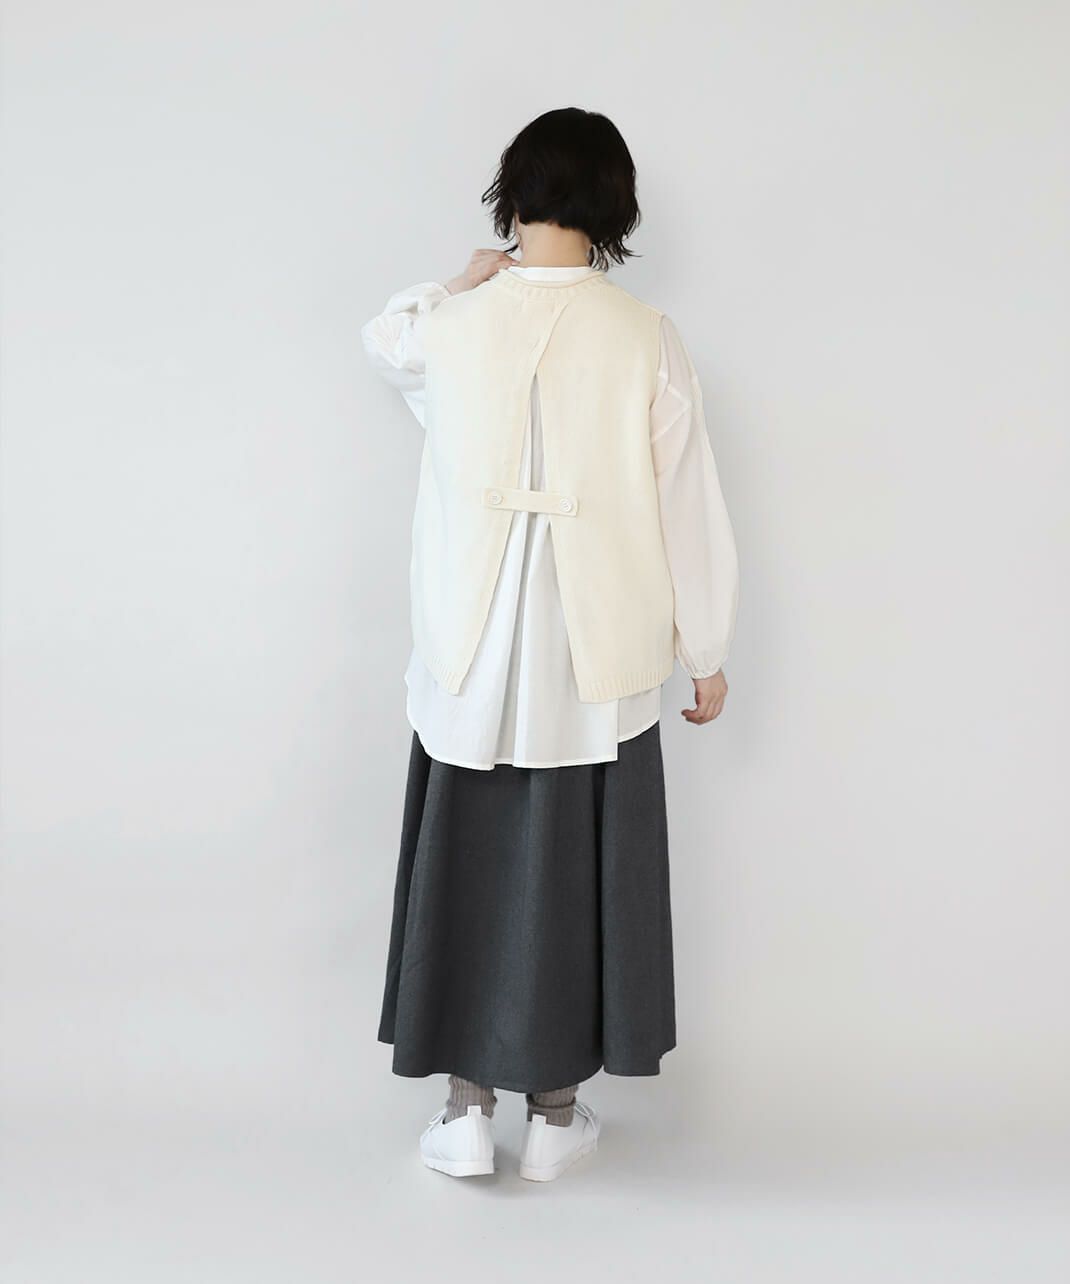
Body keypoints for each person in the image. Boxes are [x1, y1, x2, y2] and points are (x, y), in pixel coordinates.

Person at [361, 107, 739, 1182]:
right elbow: (685, 504)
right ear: (614, 205)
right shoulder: (644, 335)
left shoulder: (453, 325)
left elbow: (384, 341)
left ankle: (462, 1112)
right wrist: (705, 648)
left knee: (467, 864)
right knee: (575, 869)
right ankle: (556, 1118)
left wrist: (459, 281)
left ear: (511, 196)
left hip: (471, 651)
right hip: (593, 654)